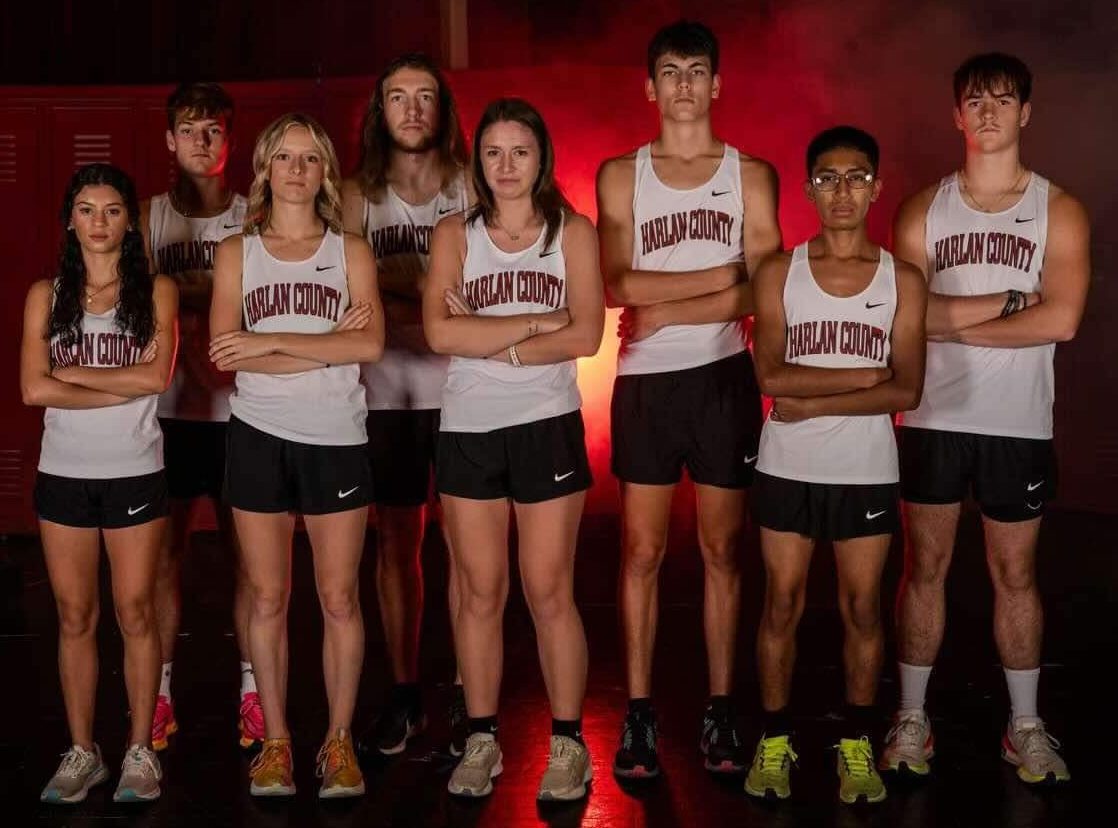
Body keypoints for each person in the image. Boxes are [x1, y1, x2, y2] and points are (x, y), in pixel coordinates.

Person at [883, 53, 1088, 787]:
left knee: (1015, 573)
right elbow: (904, 321)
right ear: (956, 115)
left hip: (1018, 424)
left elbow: (1061, 320)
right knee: (925, 568)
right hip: (934, 417)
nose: (990, 113)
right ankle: (911, 716)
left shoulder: (1057, 210)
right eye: (976, 102)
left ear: (1026, 112)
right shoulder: (922, 210)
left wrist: (948, 326)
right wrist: (1010, 306)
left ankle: (1024, 726)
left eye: (1004, 101)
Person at [596, 19, 781, 778]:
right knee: (640, 551)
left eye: (695, 70)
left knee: (721, 552)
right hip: (645, 386)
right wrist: (719, 281)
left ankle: (719, 711)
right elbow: (617, 284)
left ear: (717, 84)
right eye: (668, 71)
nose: (682, 85)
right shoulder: (619, 174)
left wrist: (667, 307)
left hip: (722, 380)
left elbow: (765, 290)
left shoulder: (750, 174)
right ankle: (638, 715)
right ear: (649, 87)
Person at [423, 98, 604, 801]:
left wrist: (492, 337)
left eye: (519, 152)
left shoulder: (574, 233)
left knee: (549, 590)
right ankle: (481, 738)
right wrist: (535, 323)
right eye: (493, 153)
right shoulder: (454, 234)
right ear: (478, 162)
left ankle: (568, 745)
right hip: (468, 426)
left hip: (545, 422)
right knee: (478, 592)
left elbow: (586, 335)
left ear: (541, 158)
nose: (505, 166)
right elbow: (440, 336)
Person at [743, 127, 926, 805]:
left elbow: (906, 389)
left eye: (856, 177)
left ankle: (855, 741)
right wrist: (863, 377)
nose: (842, 191)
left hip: (866, 470)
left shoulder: (901, 279)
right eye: (827, 177)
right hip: (786, 468)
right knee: (782, 603)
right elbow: (769, 376)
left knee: (861, 608)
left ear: (876, 187)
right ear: (808, 188)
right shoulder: (777, 272)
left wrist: (813, 400)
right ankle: (773, 739)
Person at [209, 113, 384, 798]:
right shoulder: (237, 253)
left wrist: (265, 345)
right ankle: (277, 742)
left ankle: (338, 743)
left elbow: (368, 349)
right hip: (258, 434)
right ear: (264, 169)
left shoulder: (351, 252)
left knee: (339, 595)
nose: (296, 170)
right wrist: (320, 344)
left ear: (325, 173)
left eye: (309, 160)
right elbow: (225, 352)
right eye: (284, 158)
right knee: (267, 595)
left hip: (336, 434)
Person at [24, 163, 178, 803]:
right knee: (76, 615)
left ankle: (140, 749)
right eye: (86, 209)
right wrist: (114, 381)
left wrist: (74, 376)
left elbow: (155, 381)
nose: (99, 221)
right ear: (70, 220)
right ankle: (83, 750)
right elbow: (34, 388)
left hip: (134, 471)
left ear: (129, 221)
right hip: (63, 474)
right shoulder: (46, 294)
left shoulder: (158, 292)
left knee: (136, 612)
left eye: (112, 209)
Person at [340, 53, 471, 756]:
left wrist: (398, 290)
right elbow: (352, 294)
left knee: (468, 549)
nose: (412, 109)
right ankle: (405, 693)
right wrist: (431, 290)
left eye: (425, 96)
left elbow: (492, 282)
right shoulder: (357, 194)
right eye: (398, 97)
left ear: (443, 109)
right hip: (384, 392)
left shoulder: (474, 184)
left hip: (466, 393)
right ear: (380, 111)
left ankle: (465, 699)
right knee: (396, 547)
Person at [139, 81, 258, 751]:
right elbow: (134, 305)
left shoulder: (256, 217)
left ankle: (253, 691)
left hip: (241, 412)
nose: (202, 140)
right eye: (189, 129)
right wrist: (213, 297)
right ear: (169, 140)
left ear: (230, 141)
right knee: (163, 559)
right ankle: (156, 695)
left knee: (251, 561)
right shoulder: (148, 217)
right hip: (167, 412)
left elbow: (252, 306)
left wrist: (182, 297)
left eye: (214, 129)